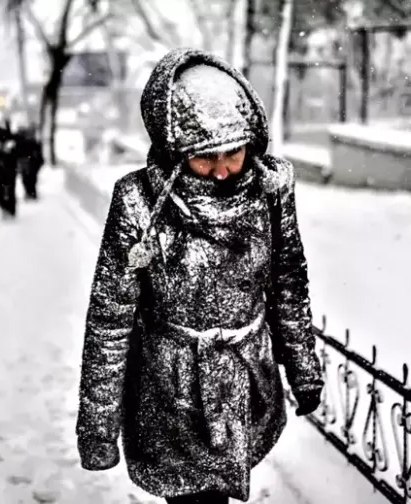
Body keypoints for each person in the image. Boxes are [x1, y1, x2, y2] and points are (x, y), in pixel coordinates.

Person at [76, 48, 324, 504]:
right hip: (171, 397)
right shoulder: (138, 202)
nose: (225, 168)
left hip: (245, 384)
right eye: (205, 157)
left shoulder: (269, 193)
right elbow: (110, 319)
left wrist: (303, 368)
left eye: (234, 150)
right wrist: (98, 426)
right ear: (174, 150)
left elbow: (288, 282)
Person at [15, 125, 44, 200]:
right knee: (28, 178)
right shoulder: (25, 141)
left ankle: (30, 193)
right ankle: (30, 193)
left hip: (30, 162)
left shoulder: (32, 142)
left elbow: (38, 154)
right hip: (27, 161)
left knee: (29, 178)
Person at [0, 135, 18, 218]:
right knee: (5, 190)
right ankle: (6, 208)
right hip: (3, 170)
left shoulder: (12, 140)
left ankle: (9, 209)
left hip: (10, 170)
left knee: (9, 190)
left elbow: (18, 153)